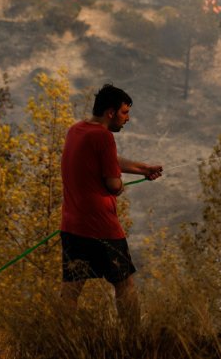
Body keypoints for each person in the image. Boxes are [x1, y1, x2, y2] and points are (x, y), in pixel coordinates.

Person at [59, 83, 162, 331]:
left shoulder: (77, 130)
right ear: (110, 112)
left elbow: (106, 160)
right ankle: (134, 339)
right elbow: (113, 183)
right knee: (124, 284)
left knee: (71, 289)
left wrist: (143, 168)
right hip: (102, 228)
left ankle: (56, 340)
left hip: (73, 226)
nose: (127, 119)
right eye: (125, 113)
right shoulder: (104, 137)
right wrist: (118, 186)